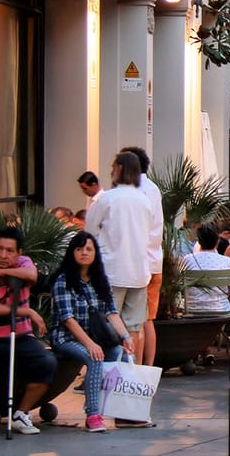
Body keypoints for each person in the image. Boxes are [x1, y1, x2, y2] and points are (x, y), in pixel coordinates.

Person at [50, 232, 135, 433]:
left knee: (118, 353)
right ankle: (93, 414)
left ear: (95, 253)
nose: (84, 253)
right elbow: (67, 320)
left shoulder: (100, 280)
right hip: (66, 338)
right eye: (79, 249)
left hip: (94, 337)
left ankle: (124, 414)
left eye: (89, 249)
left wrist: (126, 337)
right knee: (95, 357)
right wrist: (89, 344)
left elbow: (112, 313)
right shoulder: (63, 281)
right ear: (72, 253)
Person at [85, 150, 155, 362]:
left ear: (120, 168)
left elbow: (89, 231)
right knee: (133, 326)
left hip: (112, 271)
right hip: (139, 272)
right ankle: (128, 372)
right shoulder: (144, 200)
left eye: (114, 166)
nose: (111, 170)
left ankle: (107, 371)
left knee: (107, 323)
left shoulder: (107, 199)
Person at [0, 226, 54, 435]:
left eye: (9, 251)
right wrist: (26, 311)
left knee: (46, 364)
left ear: (19, 253)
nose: (2, 255)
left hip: (20, 335)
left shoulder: (24, 263)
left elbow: (31, 275)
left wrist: (2, 272)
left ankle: (21, 413)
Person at [118, 146, 163, 369]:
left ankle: (135, 369)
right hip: (155, 262)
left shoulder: (135, 192)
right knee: (148, 320)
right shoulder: (153, 189)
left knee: (135, 322)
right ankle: (148, 368)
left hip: (136, 265)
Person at [181, 226, 230, 313]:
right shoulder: (225, 260)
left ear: (199, 242)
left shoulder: (187, 260)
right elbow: (229, 290)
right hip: (221, 308)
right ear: (217, 241)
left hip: (192, 308)